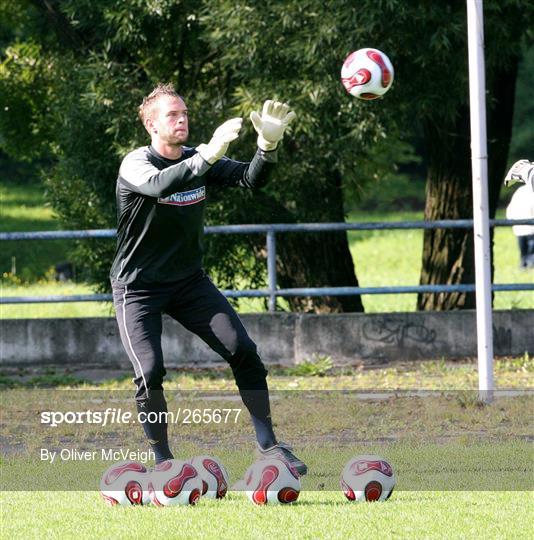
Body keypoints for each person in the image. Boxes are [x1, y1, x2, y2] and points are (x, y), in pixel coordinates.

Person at [109, 83, 307, 475]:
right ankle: (164, 462)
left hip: (188, 283)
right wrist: (207, 156)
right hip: (138, 287)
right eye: (172, 114)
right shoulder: (136, 163)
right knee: (148, 374)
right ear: (151, 123)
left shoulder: (201, 157)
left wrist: (266, 148)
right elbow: (159, 185)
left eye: (184, 113)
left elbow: (251, 180)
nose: (182, 119)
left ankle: (269, 445)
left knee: (243, 350)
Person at [504, 160, 534, 269]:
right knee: (528, 254)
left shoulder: (521, 191)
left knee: (526, 254)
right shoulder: (523, 192)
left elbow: (510, 208)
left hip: (522, 228)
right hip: (526, 228)